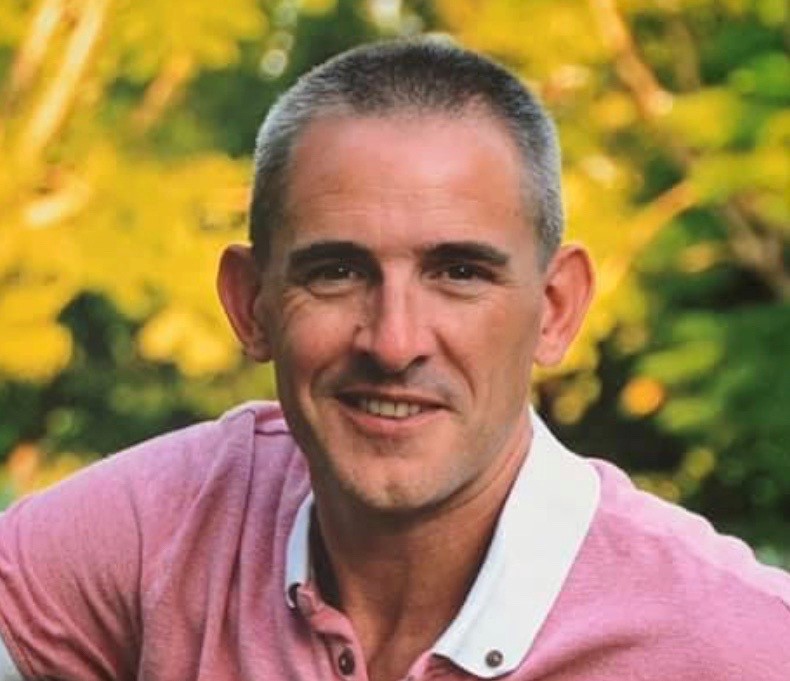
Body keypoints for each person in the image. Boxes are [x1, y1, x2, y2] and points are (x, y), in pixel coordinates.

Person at [0, 39, 788, 681]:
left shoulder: (734, 640)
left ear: (555, 309)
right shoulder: (176, 521)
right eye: (337, 271)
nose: (393, 340)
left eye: (459, 272)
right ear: (250, 303)